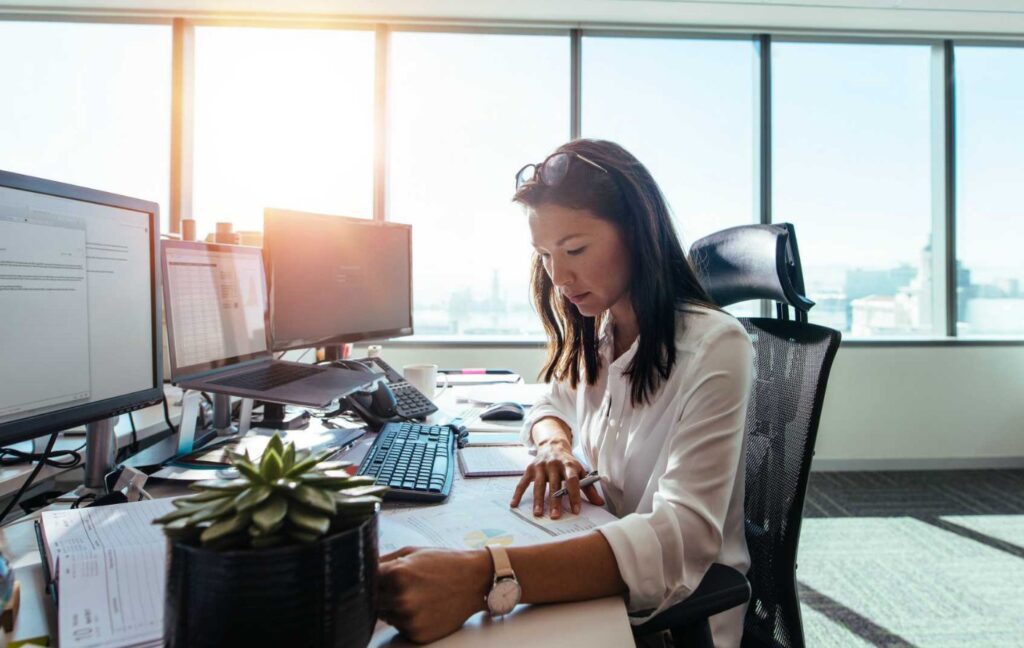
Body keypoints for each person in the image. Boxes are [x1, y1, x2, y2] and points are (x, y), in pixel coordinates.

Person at [377, 139, 753, 646]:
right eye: (545, 256)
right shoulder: (601, 331)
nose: (559, 277)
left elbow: (681, 535)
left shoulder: (715, 345)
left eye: (575, 250)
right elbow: (551, 404)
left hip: (670, 616)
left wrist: (484, 576)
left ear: (638, 235)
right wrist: (556, 446)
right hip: (597, 562)